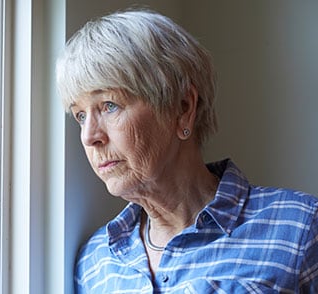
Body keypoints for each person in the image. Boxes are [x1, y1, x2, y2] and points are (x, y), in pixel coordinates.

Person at [55, 9, 318, 293]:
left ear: (183, 108)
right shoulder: (93, 263)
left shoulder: (300, 226)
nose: (89, 136)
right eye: (80, 115)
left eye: (109, 105)